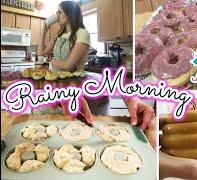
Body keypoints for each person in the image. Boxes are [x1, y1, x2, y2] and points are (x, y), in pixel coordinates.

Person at [38, 1, 154, 131]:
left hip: (79, 90)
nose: (57, 15)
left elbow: (67, 65)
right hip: (57, 91)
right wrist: (44, 28)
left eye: (59, 12)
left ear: (70, 15)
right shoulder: (58, 36)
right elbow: (41, 52)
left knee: (86, 131)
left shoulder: (82, 34)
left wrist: (51, 60)